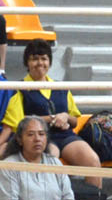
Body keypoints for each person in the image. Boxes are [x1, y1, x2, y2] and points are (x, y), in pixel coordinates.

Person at [12, 38, 103, 171]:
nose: (40, 63)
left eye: (44, 59)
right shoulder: (19, 88)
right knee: (51, 160)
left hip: (66, 136)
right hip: (40, 137)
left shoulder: (61, 86)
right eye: (35, 59)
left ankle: (95, 192)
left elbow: (75, 120)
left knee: (92, 161)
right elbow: (20, 122)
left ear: (49, 62)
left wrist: (65, 116)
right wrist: (52, 118)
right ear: (27, 62)